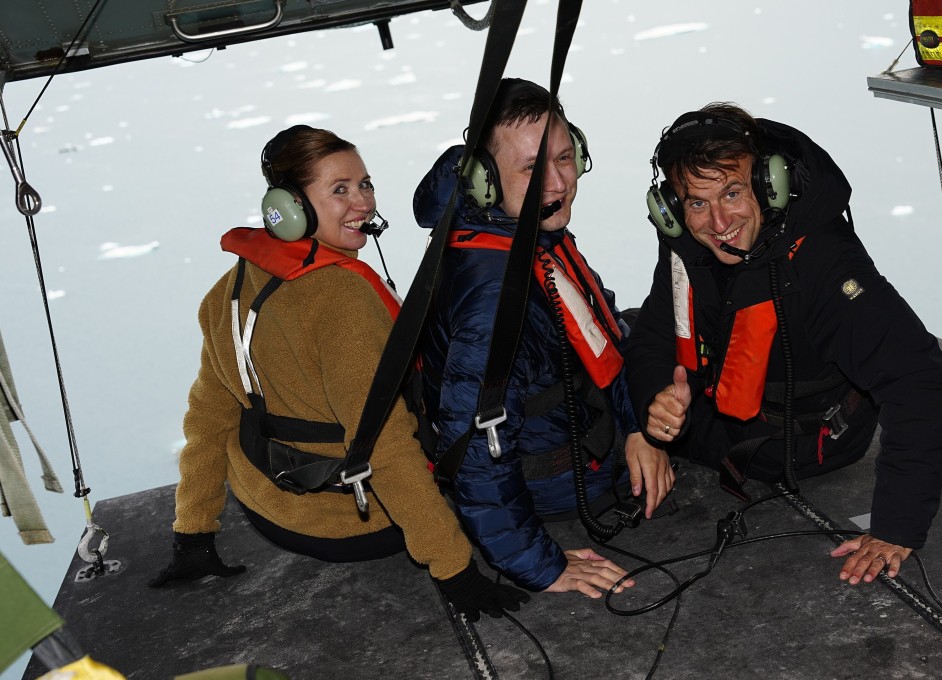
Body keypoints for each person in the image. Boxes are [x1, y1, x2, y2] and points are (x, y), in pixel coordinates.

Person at [149, 125, 527, 622]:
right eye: (340, 190)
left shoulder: (230, 286)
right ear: (289, 208)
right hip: (351, 525)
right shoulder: (343, 301)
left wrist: (193, 532)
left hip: (270, 511)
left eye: (365, 184)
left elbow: (208, 417)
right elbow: (387, 447)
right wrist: (455, 570)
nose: (363, 203)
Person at [625, 102, 942, 586]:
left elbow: (921, 380)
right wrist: (651, 410)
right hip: (717, 423)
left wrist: (896, 528)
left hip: (801, 446)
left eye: (733, 193)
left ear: (769, 185)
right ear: (674, 209)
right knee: (615, 337)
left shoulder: (823, 262)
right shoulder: (687, 243)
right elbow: (657, 334)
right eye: (697, 203)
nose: (718, 222)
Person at [414, 78, 676, 597]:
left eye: (564, 157)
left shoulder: (523, 233)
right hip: (554, 484)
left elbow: (604, 338)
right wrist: (541, 566)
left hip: (593, 443)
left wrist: (638, 429)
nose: (557, 184)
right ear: (485, 180)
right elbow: (475, 452)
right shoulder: (494, 299)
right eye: (532, 168)